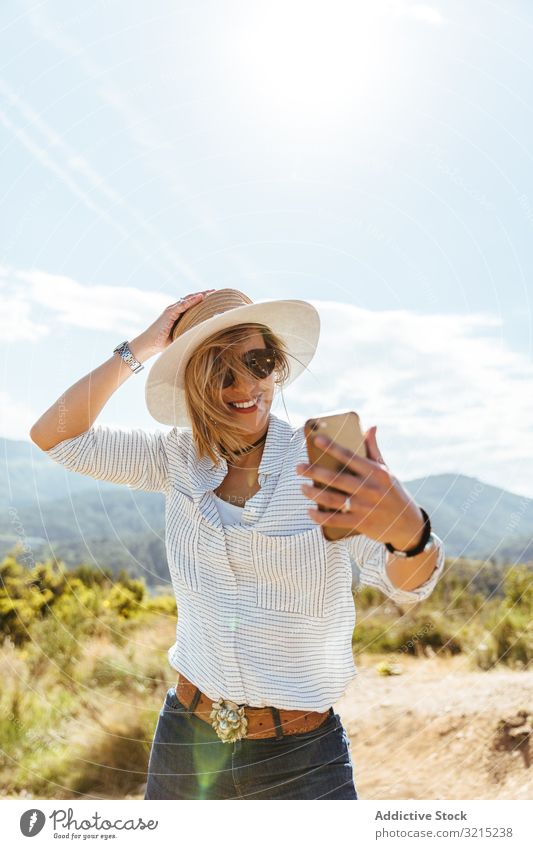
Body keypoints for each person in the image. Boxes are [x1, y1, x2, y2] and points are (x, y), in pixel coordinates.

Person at [30, 287, 445, 800]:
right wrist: (142, 346)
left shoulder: (322, 464)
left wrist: (411, 538)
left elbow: (406, 586)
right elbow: (57, 436)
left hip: (302, 760)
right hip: (186, 740)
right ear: (194, 385)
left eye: (259, 361)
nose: (245, 385)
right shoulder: (173, 459)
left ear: (279, 366)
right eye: (220, 371)